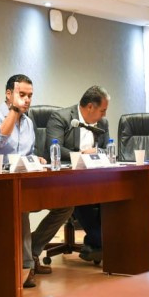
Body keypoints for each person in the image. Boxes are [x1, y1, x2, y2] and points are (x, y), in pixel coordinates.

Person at [0, 74, 73, 289]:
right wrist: (14, 110)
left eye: (30, 96)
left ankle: (32, 250)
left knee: (66, 203)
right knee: (21, 205)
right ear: (8, 94)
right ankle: (26, 266)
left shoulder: (28, 122)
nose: (27, 100)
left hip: (20, 181)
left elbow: (25, 155)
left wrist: (36, 159)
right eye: (22, 94)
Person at [44, 85, 111, 265]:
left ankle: (96, 244)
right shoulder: (61, 117)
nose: (104, 115)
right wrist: (81, 155)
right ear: (90, 107)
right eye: (102, 110)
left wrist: (98, 152)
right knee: (81, 193)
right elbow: (54, 149)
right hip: (67, 179)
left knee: (113, 193)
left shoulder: (102, 123)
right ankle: (101, 241)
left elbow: (108, 149)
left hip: (96, 176)